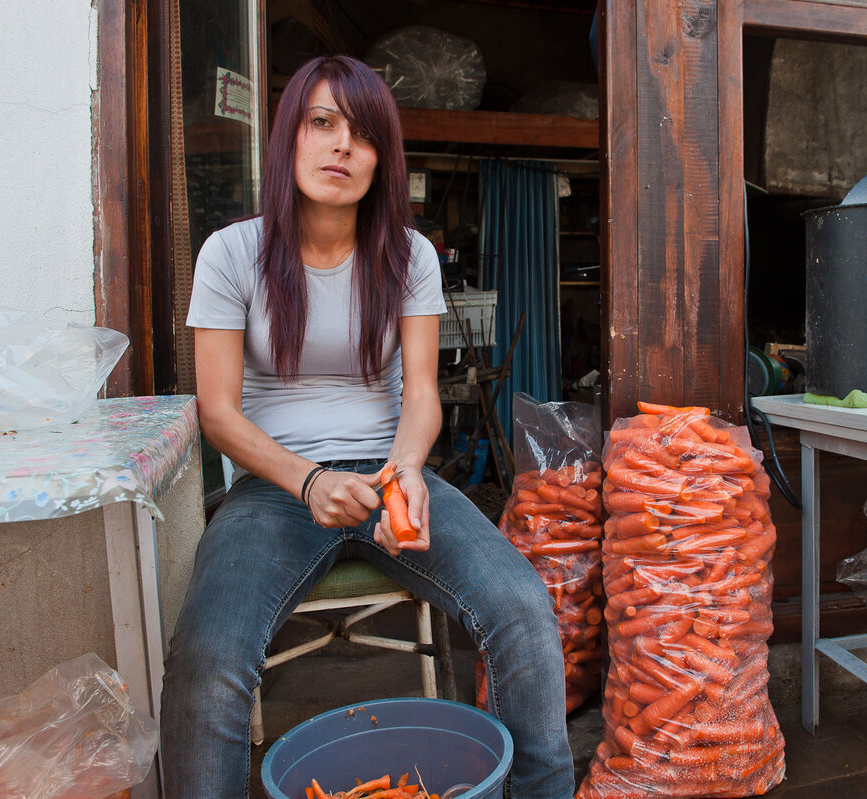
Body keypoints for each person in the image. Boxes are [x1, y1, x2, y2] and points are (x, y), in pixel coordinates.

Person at [160, 55, 575, 799]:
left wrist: (410, 467)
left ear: (383, 158)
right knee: (208, 655)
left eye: (363, 133)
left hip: (391, 472)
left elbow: (422, 394)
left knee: (522, 608)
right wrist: (308, 479)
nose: (341, 146)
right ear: (290, 136)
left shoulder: (408, 255)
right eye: (321, 123)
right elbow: (217, 411)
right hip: (273, 485)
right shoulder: (231, 253)